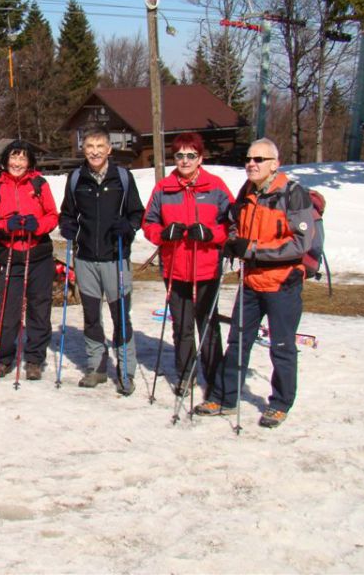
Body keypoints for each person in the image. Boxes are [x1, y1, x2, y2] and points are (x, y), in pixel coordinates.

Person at [194, 138, 314, 429]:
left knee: (282, 346)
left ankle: (280, 403)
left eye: (259, 159)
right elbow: (236, 223)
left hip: (282, 283)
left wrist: (253, 249)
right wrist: (234, 241)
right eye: (249, 158)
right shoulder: (247, 191)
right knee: (237, 341)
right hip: (250, 282)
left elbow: (301, 243)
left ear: (274, 164)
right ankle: (224, 397)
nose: (251, 164)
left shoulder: (293, 194)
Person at [142, 132, 233, 398]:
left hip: (206, 268)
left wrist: (211, 234)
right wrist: (163, 234)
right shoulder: (164, 188)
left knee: (208, 326)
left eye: (190, 155)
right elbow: (149, 222)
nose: (185, 160)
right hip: (175, 269)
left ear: (200, 158)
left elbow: (231, 223)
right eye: (180, 155)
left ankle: (214, 376)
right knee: (181, 327)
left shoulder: (215, 186)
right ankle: (185, 374)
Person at [58, 125, 144, 395]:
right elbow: (67, 214)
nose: (94, 152)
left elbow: (137, 213)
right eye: (89, 147)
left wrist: (128, 227)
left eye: (99, 147)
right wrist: (67, 228)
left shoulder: (122, 177)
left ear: (109, 150)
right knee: (91, 315)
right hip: (85, 258)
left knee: (120, 316)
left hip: (115, 257)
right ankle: (97, 366)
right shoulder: (76, 179)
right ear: (83, 150)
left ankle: (126, 369)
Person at [0, 140, 59, 380]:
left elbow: (52, 215)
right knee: (8, 311)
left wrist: (39, 226)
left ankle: (34, 359)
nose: (17, 163)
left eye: (23, 158)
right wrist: (4, 225)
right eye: (13, 157)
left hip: (38, 255)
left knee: (39, 309)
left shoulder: (39, 183)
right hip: (11, 255)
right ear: (5, 160)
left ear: (29, 162)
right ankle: (3, 357)